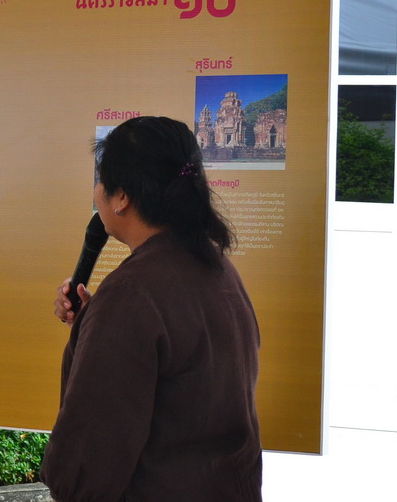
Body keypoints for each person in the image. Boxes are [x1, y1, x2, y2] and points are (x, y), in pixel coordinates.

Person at [41, 116, 262, 501]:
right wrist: (94, 325)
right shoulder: (218, 268)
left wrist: (107, 321)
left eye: (100, 180)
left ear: (122, 197)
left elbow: (87, 464)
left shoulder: (131, 295)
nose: (96, 192)